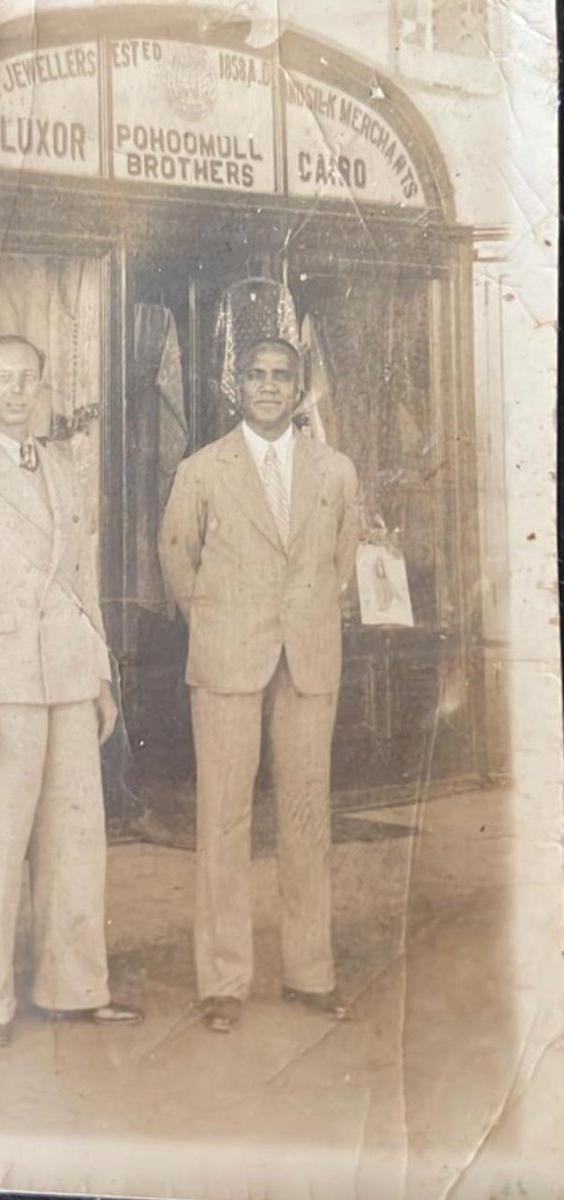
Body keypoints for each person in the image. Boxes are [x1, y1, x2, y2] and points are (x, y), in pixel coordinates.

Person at [0, 333, 142, 1047]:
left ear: (41, 387)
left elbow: (82, 581)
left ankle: (73, 988)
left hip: (69, 681)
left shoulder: (64, 469)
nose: (16, 392)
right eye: (3, 379)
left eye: (27, 380)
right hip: (2, 687)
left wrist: (101, 673)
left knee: (76, 844)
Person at [159, 338, 360, 1033]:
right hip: (226, 660)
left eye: (281, 377)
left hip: (306, 660)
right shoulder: (200, 470)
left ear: (298, 388)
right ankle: (223, 981)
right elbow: (175, 557)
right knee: (223, 818)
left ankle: (310, 974)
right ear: (235, 385)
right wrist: (217, 620)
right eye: (256, 376)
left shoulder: (334, 471)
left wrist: (297, 618)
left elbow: (339, 561)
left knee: (307, 818)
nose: (268, 386)